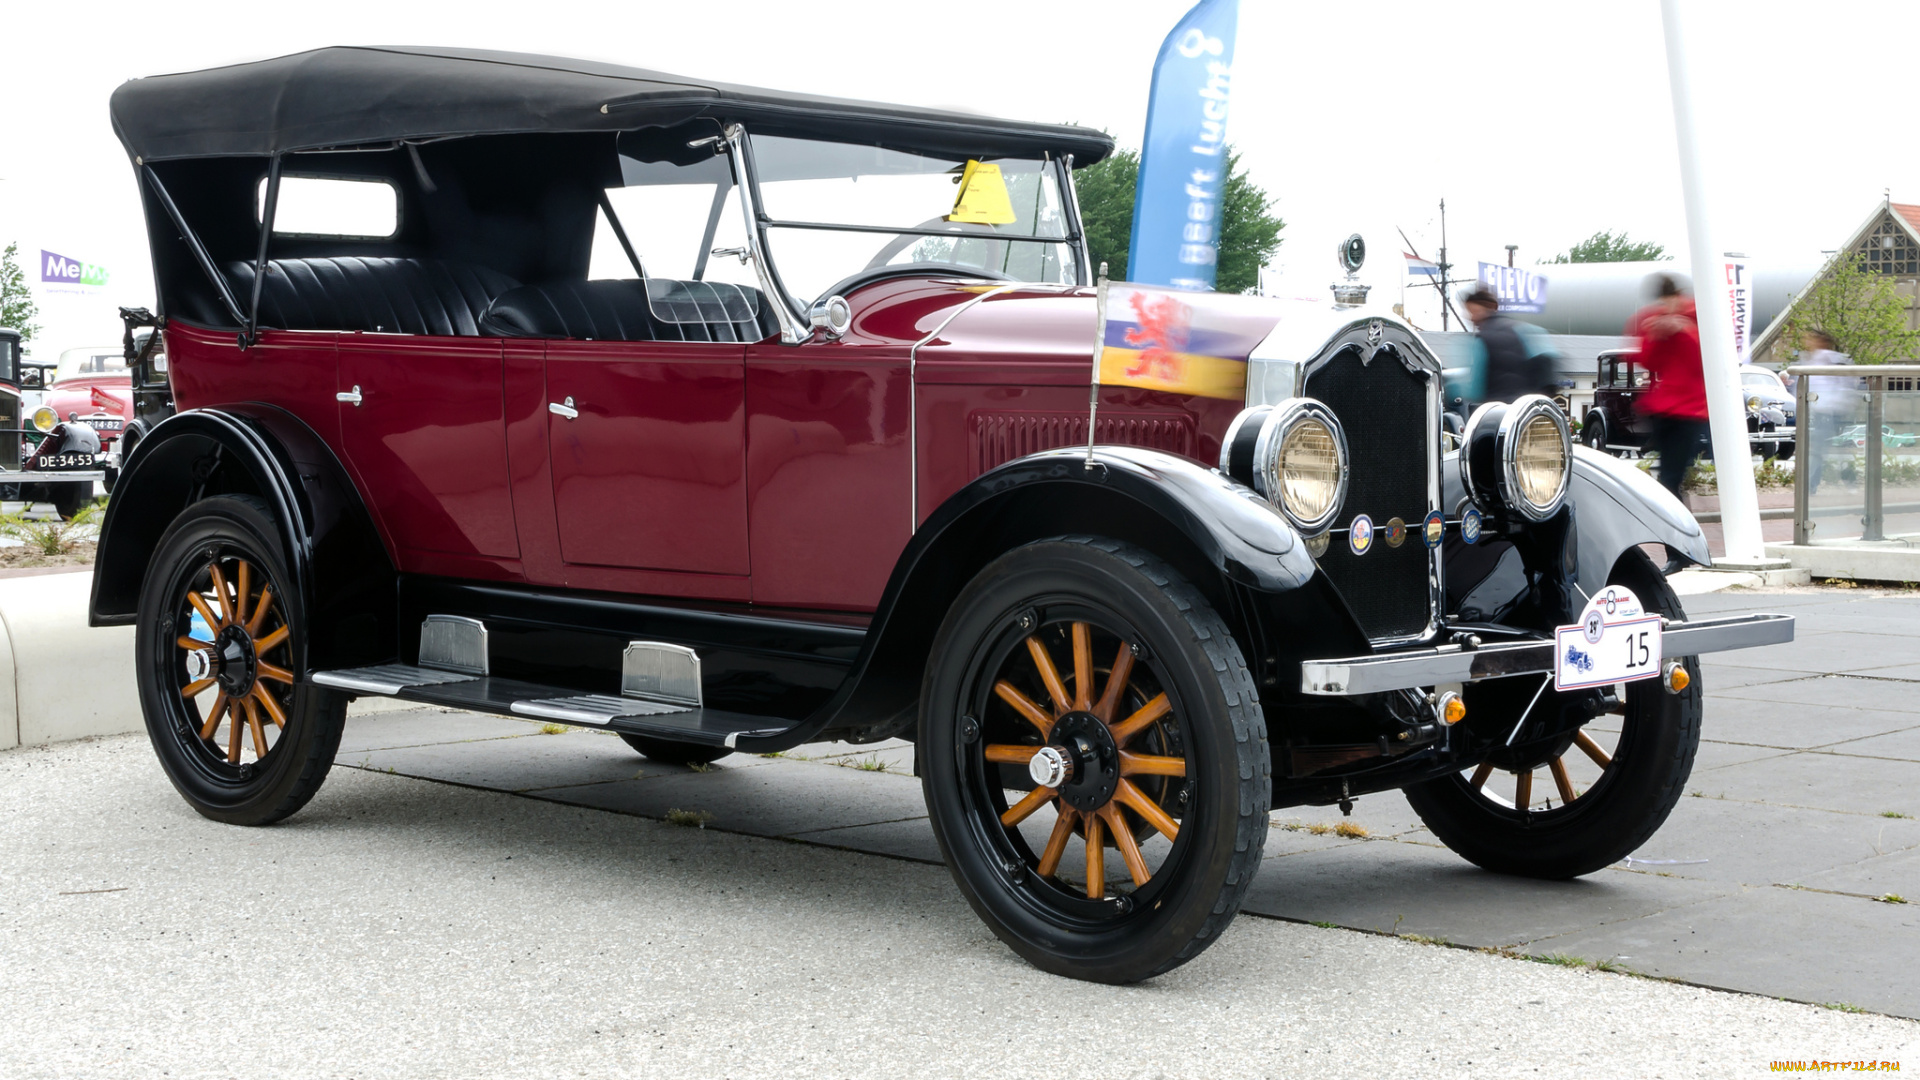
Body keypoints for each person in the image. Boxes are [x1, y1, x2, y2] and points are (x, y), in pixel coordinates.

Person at [1625, 275, 1708, 503]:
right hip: (1662, 408)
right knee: (1669, 473)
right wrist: (1655, 336)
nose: (1667, 308)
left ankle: (1674, 522)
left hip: (1690, 409)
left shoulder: (1699, 317)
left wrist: (1685, 330)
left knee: (1672, 476)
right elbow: (1649, 362)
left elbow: (1704, 362)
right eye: (1663, 302)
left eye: (1670, 301)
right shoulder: (1651, 318)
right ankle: (1674, 517)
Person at [1461, 284, 1558, 405]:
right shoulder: (1523, 330)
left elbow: (1474, 390)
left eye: (1473, 311)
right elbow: (1548, 360)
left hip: (1495, 410)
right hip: (1525, 408)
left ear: (1490, 308)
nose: (1471, 318)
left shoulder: (1481, 340)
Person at [1794, 329, 1856, 495]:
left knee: (1820, 450)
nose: (1808, 343)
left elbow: (1847, 380)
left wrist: (1842, 402)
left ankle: (1811, 487)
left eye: (1811, 340)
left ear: (1821, 342)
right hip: (1822, 411)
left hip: (1830, 411)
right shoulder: (1812, 359)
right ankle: (1846, 482)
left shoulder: (1829, 358)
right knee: (1827, 451)